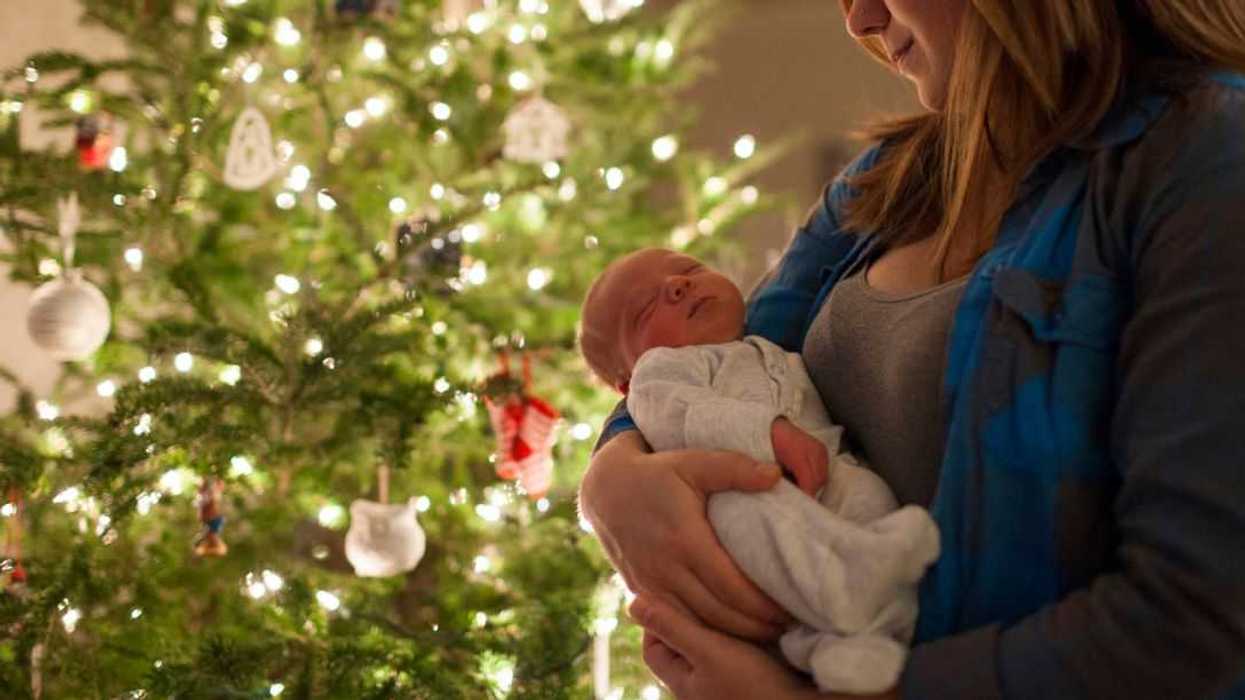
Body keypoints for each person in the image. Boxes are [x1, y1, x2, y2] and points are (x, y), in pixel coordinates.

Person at [576, 0, 1245, 698]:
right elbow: (724, 350)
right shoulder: (884, 180)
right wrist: (613, 469)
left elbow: (1194, 620)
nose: (858, 19)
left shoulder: (1202, 157)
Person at [579, 247, 941, 693]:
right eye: (646, 307)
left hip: (825, 479)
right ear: (627, 383)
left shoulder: (768, 346)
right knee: (749, 519)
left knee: (867, 495)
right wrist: (770, 432)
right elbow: (677, 412)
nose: (678, 284)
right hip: (742, 491)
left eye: (691, 269)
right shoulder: (663, 372)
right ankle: (850, 593)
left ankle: (846, 639)